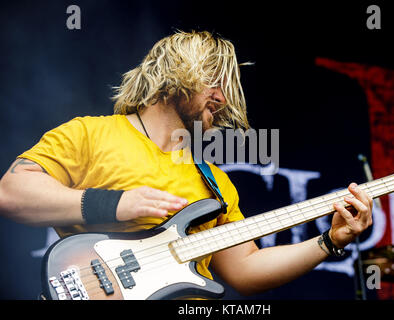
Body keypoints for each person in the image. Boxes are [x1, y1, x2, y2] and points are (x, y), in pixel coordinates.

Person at [0, 30, 373, 298]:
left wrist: (329, 241)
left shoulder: (215, 183)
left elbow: (244, 270)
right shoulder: (90, 134)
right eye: (215, 82)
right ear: (178, 74)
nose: (223, 98)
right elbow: (11, 193)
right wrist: (116, 203)